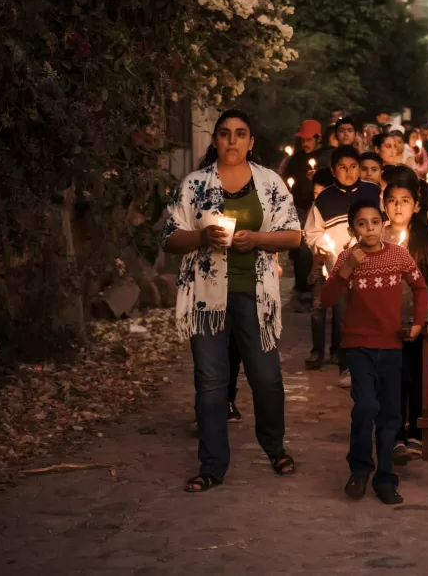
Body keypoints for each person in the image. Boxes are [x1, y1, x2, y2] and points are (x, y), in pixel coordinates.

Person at [162, 109, 302, 492]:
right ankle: (212, 466)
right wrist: (203, 237)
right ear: (216, 140)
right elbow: (170, 237)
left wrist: (257, 239)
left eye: (241, 134)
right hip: (206, 300)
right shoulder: (195, 185)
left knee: (267, 378)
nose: (232, 140)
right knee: (210, 382)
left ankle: (274, 447)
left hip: (255, 296)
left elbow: (293, 235)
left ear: (251, 141)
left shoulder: (269, 182)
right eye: (225, 134)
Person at [321, 199, 428, 505]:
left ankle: (385, 479)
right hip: (359, 346)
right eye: (361, 223)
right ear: (352, 228)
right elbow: (327, 298)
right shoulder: (347, 258)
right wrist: (347, 270)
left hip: (392, 346)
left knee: (390, 415)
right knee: (365, 407)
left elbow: (420, 288)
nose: (369, 229)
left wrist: (418, 323)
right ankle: (358, 470)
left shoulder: (399, 255)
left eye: (374, 222)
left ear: (383, 224)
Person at [382, 176, 428, 464]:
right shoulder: (378, 235)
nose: (398, 207)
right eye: (392, 201)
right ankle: (396, 434)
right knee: (395, 377)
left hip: (421, 320)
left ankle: (417, 433)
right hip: (389, 320)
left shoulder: (427, 236)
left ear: (416, 204)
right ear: (384, 205)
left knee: (419, 376)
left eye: (405, 201)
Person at [303, 146, 381, 378]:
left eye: (354, 167)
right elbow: (312, 233)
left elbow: (382, 223)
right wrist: (327, 247)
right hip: (338, 266)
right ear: (333, 170)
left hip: (370, 264)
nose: (349, 172)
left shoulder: (373, 192)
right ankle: (345, 364)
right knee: (342, 316)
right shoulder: (325, 198)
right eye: (343, 168)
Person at [280, 118, 324, 311]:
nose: (305, 143)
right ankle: (302, 289)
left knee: (314, 247)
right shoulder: (296, 158)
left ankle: (316, 288)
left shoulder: (325, 156)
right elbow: (285, 176)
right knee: (300, 244)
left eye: (309, 139)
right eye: (302, 139)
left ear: (317, 138)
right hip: (297, 205)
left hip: (318, 206)